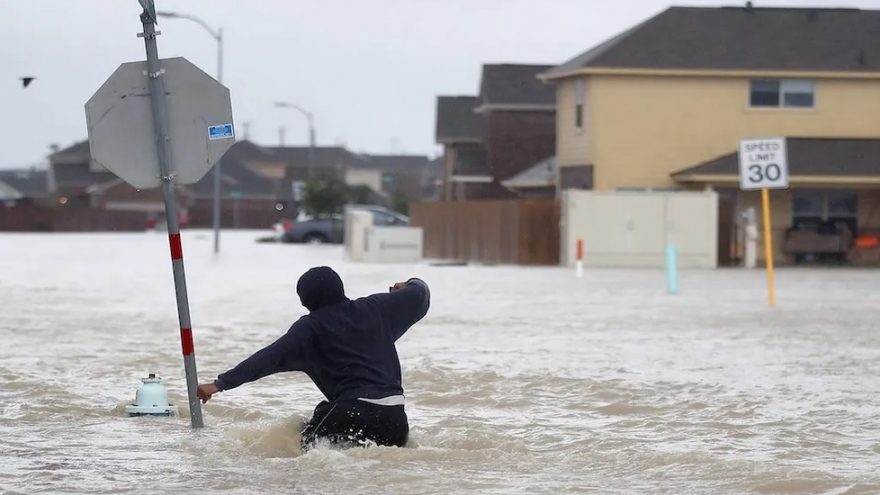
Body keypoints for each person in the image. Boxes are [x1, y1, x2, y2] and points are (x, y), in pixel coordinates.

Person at [196, 266, 431, 452]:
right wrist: (410, 282)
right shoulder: (376, 308)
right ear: (340, 288)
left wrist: (221, 384)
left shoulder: (310, 329)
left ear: (305, 301)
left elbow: (268, 357)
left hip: (351, 412)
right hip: (396, 421)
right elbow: (421, 294)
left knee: (305, 451)